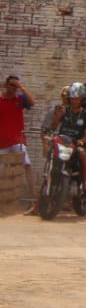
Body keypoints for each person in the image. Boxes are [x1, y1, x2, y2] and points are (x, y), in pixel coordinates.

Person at [51, 82, 86, 197]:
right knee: (50, 152)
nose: (74, 101)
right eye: (72, 99)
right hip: (62, 142)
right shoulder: (64, 110)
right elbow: (53, 127)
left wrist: (81, 141)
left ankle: (84, 184)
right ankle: (48, 181)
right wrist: (57, 117)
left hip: (76, 143)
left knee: (82, 154)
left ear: (82, 99)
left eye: (77, 99)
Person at [0, 74, 37, 211]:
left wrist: (21, 87)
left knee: (27, 165)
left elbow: (32, 102)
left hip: (17, 140)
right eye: (12, 85)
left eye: (16, 86)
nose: (14, 88)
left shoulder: (20, 100)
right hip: (1, 142)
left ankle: (33, 197)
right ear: (6, 85)